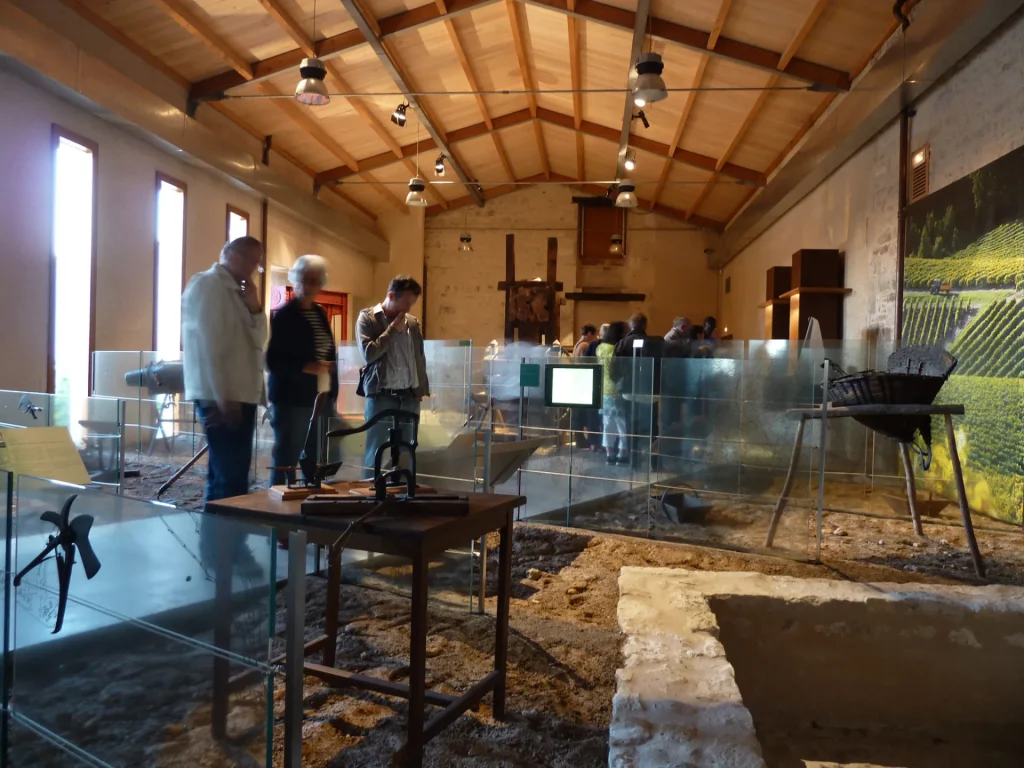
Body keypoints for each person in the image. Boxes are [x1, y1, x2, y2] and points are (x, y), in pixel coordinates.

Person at [182, 236, 267, 565]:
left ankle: (226, 547)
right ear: (227, 254)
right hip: (221, 395)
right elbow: (207, 346)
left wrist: (256, 305)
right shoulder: (208, 286)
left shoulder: (241, 292)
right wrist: (221, 398)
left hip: (240, 393)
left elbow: (259, 340)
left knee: (233, 475)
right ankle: (222, 550)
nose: (251, 267)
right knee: (227, 476)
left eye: (256, 262)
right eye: (246, 258)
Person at [265, 255, 338, 487]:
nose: (309, 286)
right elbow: (273, 361)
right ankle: (277, 506)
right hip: (292, 398)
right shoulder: (285, 315)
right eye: (305, 280)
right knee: (287, 457)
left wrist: (330, 382)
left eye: (315, 281)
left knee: (314, 456)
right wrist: (306, 366)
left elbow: (327, 351)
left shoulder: (319, 313)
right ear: (296, 280)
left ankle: (309, 501)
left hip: (319, 395)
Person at [357, 275, 429, 477]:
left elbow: (419, 357)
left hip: (409, 396)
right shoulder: (368, 319)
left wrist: (420, 390)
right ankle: (371, 495)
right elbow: (369, 354)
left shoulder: (413, 324)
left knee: (407, 452)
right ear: (391, 295)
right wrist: (391, 330)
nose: (408, 308)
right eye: (405, 302)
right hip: (381, 396)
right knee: (376, 451)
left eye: (412, 303)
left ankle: (403, 497)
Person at [596, 322, 628, 465]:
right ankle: (622, 454)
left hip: (603, 390)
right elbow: (617, 371)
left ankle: (610, 455)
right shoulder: (615, 350)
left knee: (607, 424)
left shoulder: (600, 348)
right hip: (616, 390)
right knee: (622, 425)